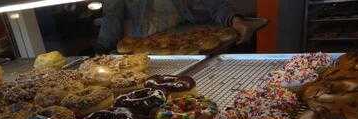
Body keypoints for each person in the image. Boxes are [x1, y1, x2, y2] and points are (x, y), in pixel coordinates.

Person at [95, 0, 268, 53]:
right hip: (140, 49)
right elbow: (112, 16)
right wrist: (102, 47)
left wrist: (235, 20)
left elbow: (214, 5)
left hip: (183, 42)